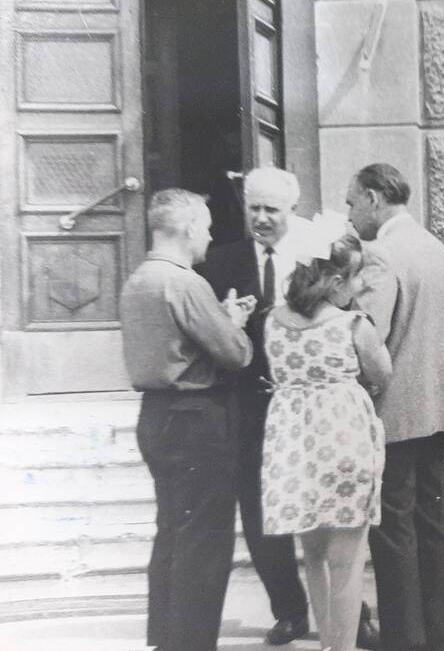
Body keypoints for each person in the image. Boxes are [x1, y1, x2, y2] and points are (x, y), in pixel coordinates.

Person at [197, 167, 380, 648]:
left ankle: (347, 621)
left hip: (303, 415)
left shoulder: (312, 257)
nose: (260, 218)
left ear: (290, 212)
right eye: (252, 208)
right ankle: (289, 610)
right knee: (264, 517)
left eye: (270, 210)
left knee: (325, 536)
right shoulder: (219, 263)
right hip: (253, 408)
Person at [120, 188, 255, 651]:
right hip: (198, 418)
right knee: (206, 541)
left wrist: (220, 317)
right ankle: (193, 643)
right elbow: (233, 354)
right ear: (190, 228)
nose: (211, 236)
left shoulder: (138, 278)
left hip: (156, 416)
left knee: (173, 531)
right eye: (208, 227)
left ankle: (166, 638)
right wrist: (233, 324)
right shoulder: (186, 283)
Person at [348, 163, 444, 651]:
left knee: (393, 529)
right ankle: (439, 633)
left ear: (375, 198)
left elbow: (365, 339)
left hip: (392, 412)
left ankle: (403, 638)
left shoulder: (379, 254)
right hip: (437, 409)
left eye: (352, 203)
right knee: (432, 522)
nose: (349, 215)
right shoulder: (439, 250)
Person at [261, 233, 391, 651]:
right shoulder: (352, 324)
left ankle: (327, 645)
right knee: (347, 561)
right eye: (356, 278)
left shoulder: (271, 321)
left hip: (293, 446)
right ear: (335, 281)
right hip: (343, 442)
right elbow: (382, 374)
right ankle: (344, 648)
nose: (359, 287)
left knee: (313, 556)